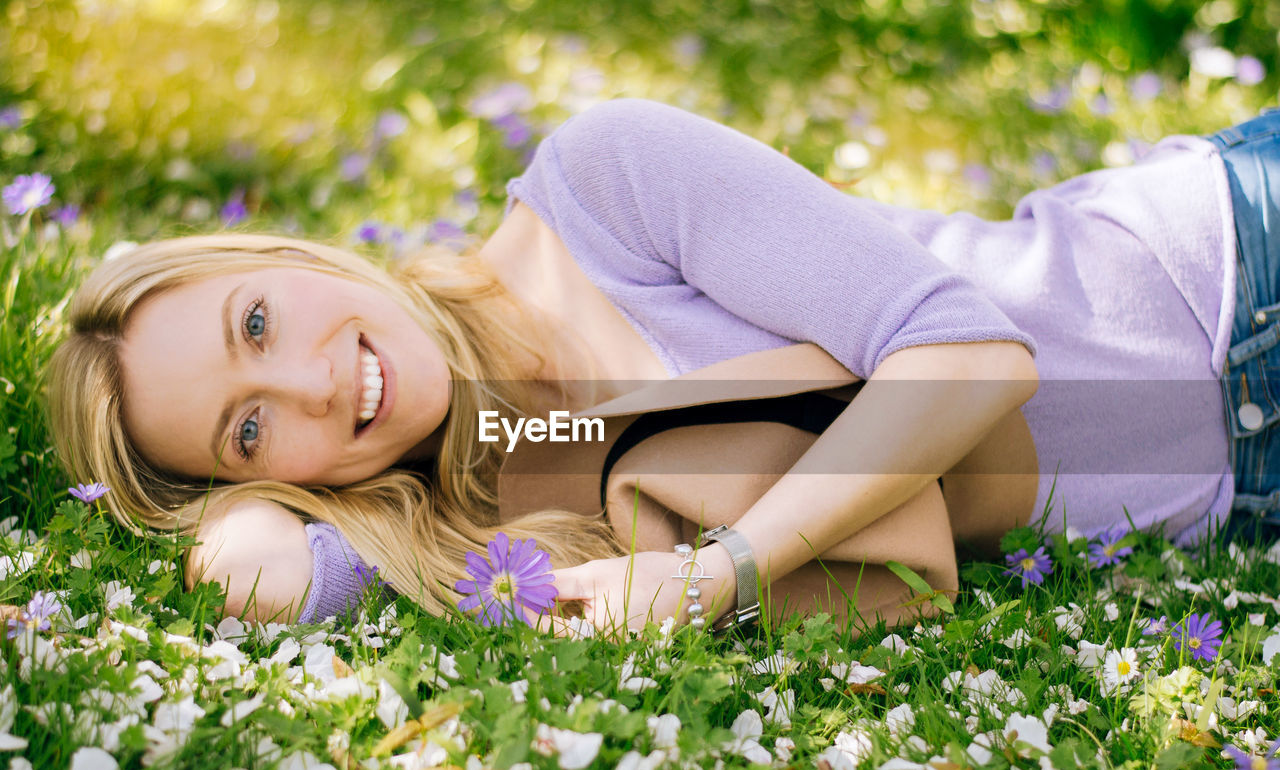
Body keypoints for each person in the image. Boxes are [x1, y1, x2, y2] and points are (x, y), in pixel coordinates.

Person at [45, 98, 1276, 633]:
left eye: (256, 324)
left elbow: (966, 356)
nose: (309, 386)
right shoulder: (499, 510)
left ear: (289, 255)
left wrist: (723, 571)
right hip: (1244, 512)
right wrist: (268, 523)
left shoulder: (604, 186)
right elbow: (269, 574)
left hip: (1227, 276)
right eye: (247, 432)